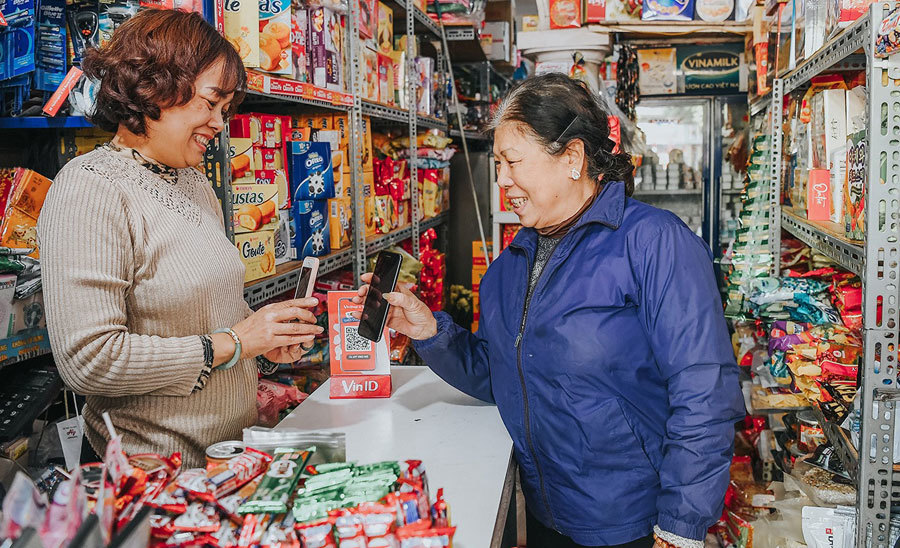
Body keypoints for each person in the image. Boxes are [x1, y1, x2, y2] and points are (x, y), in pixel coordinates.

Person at [355, 73, 745, 548]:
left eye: (512, 161)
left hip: (638, 525)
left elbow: (704, 390)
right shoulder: (509, 268)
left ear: (573, 158)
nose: (501, 179)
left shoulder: (654, 244)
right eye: (497, 163)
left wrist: (681, 525)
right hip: (547, 516)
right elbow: (504, 374)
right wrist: (429, 330)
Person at [37, 9, 323, 467]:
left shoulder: (191, 182)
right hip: (152, 472)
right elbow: (88, 359)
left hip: (223, 458)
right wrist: (233, 344)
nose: (219, 122)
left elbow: (209, 314)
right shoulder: (91, 187)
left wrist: (263, 347)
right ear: (156, 87)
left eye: (225, 110)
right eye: (211, 103)